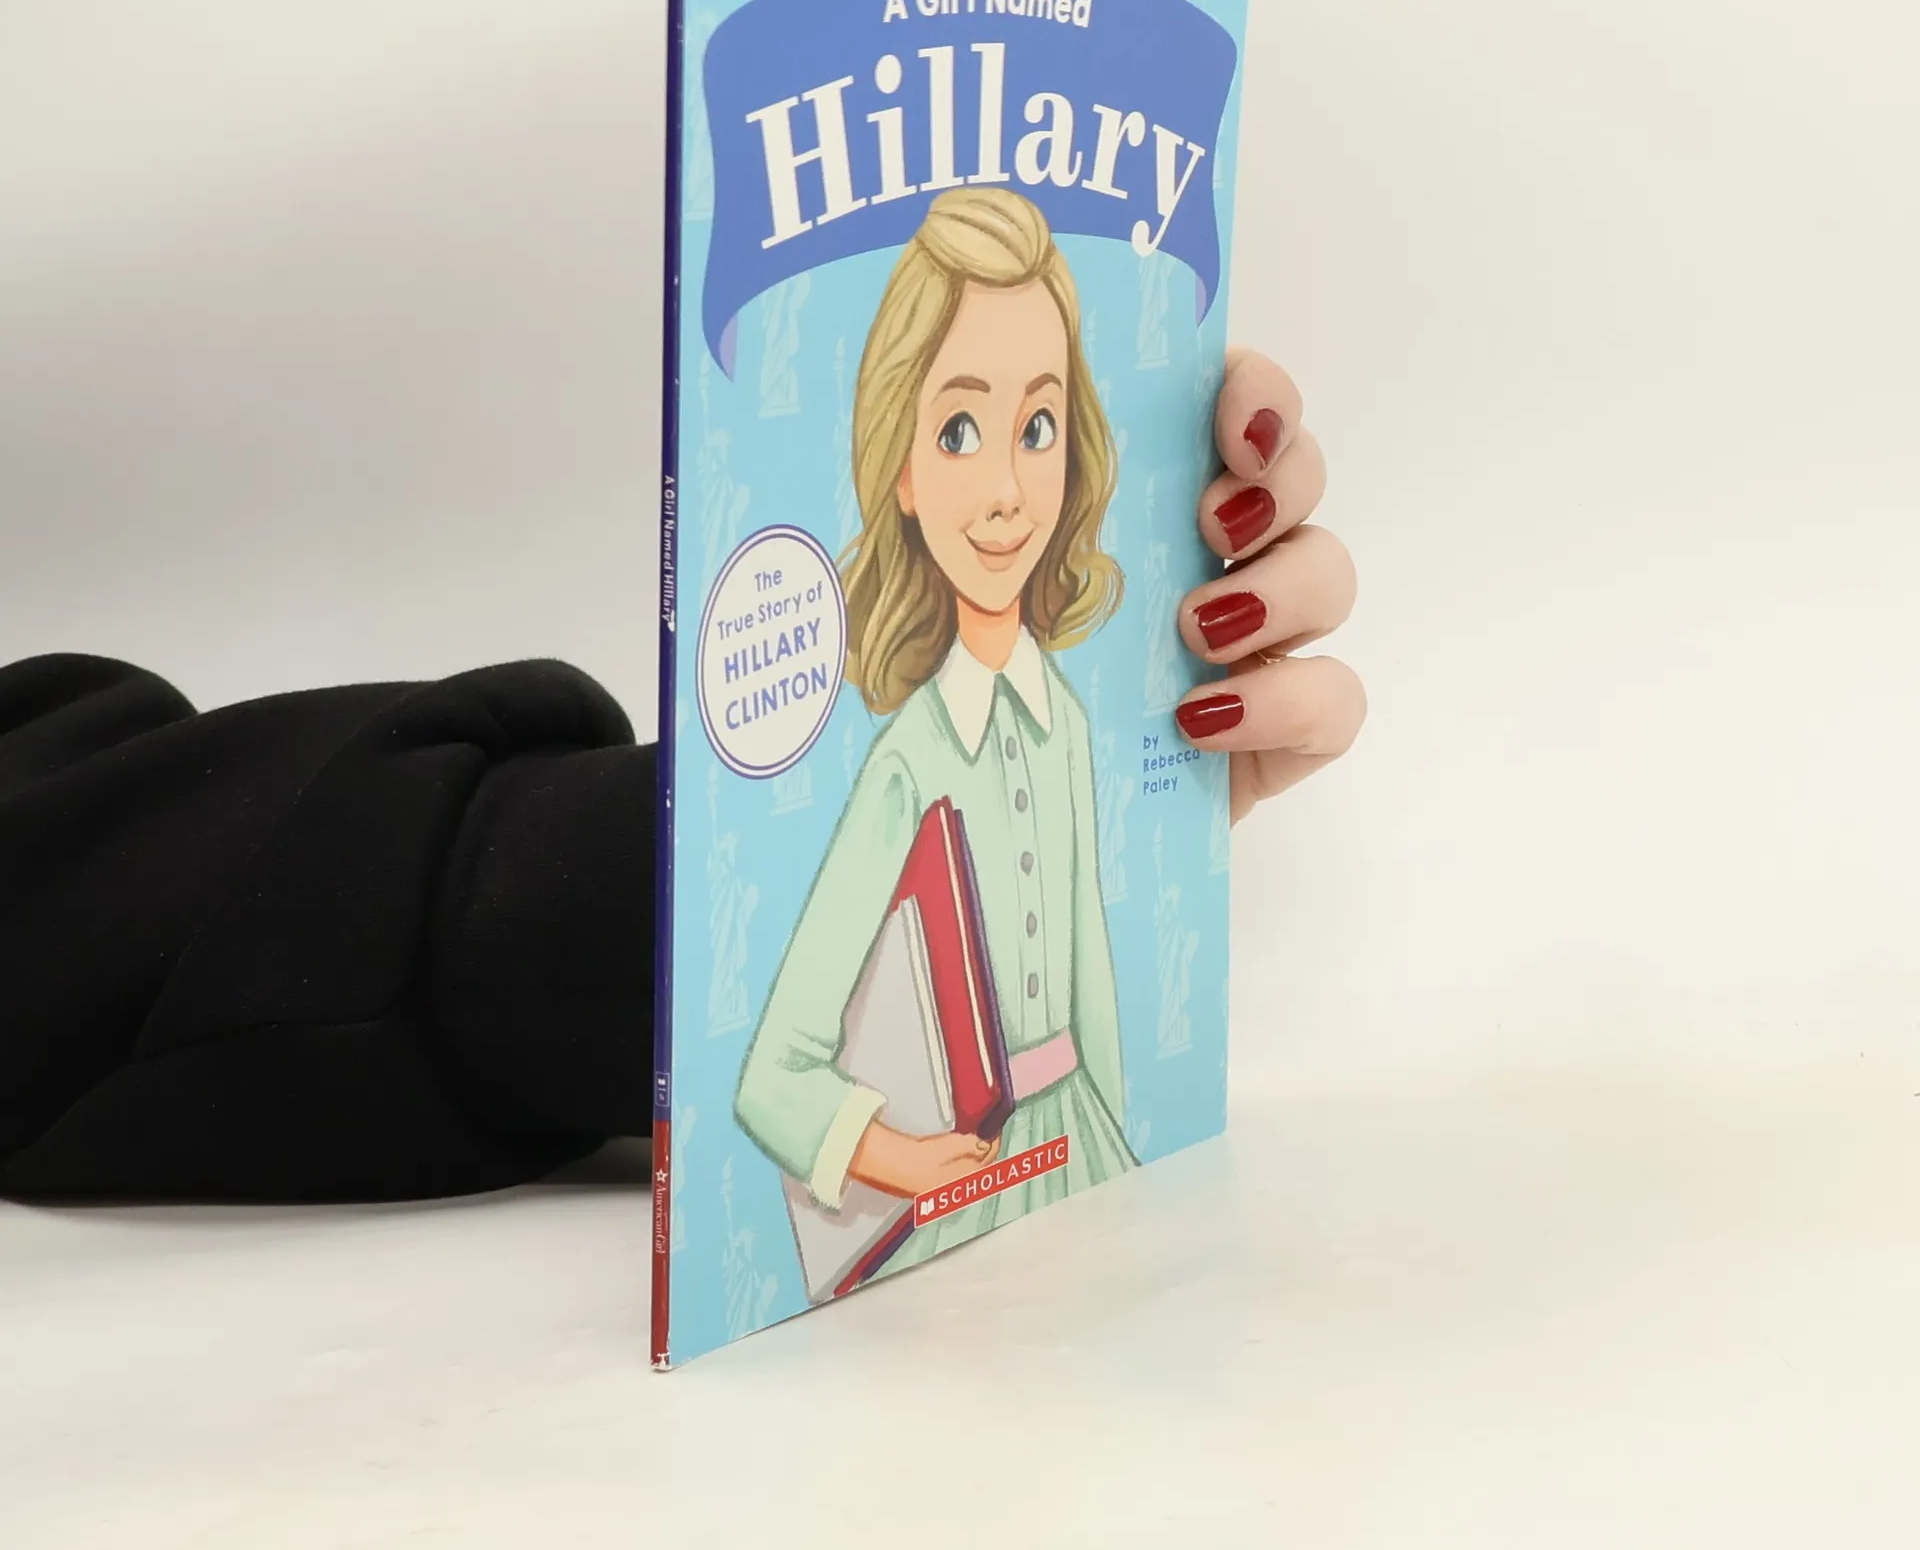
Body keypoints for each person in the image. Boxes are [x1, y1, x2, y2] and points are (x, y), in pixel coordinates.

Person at [0, 264, 1363, 1205]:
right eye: (959, 429)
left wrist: (1159, 816)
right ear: (896, 470)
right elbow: (776, 1073)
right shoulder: (898, 759)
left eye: (1041, 425)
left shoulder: (1061, 725)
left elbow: (1094, 1010)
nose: (1008, 488)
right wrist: (895, 1155)